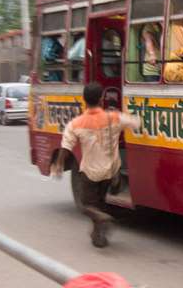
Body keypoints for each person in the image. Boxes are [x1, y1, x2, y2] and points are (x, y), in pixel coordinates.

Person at [57, 82, 140, 248]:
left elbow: (65, 147)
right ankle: (99, 237)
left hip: (90, 173)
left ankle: (101, 218)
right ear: (102, 99)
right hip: (110, 171)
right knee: (99, 203)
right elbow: (135, 123)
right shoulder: (114, 117)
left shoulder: (76, 123)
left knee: (86, 205)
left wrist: (58, 165)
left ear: (84, 100)